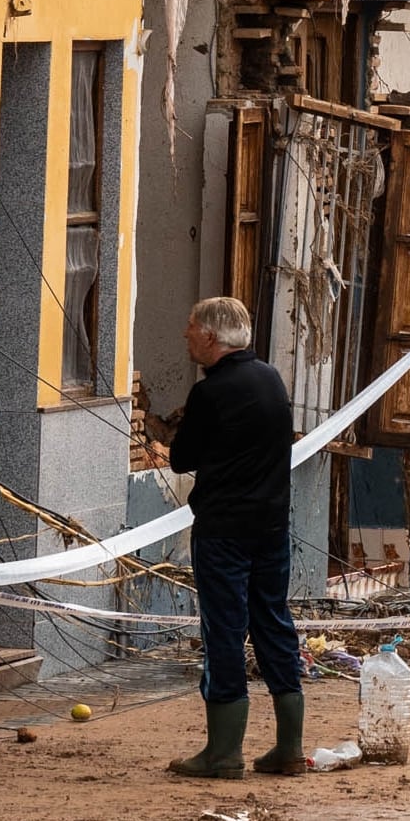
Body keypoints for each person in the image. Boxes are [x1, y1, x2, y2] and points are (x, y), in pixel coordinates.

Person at [166, 296, 308, 780]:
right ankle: (289, 747)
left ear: (211, 336)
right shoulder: (270, 378)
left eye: (190, 327)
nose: (185, 334)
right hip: (270, 529)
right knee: (274, 623)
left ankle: (223, 752)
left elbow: (182, 458)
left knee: (224, 630)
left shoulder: (210, 393)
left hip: (224, 532)